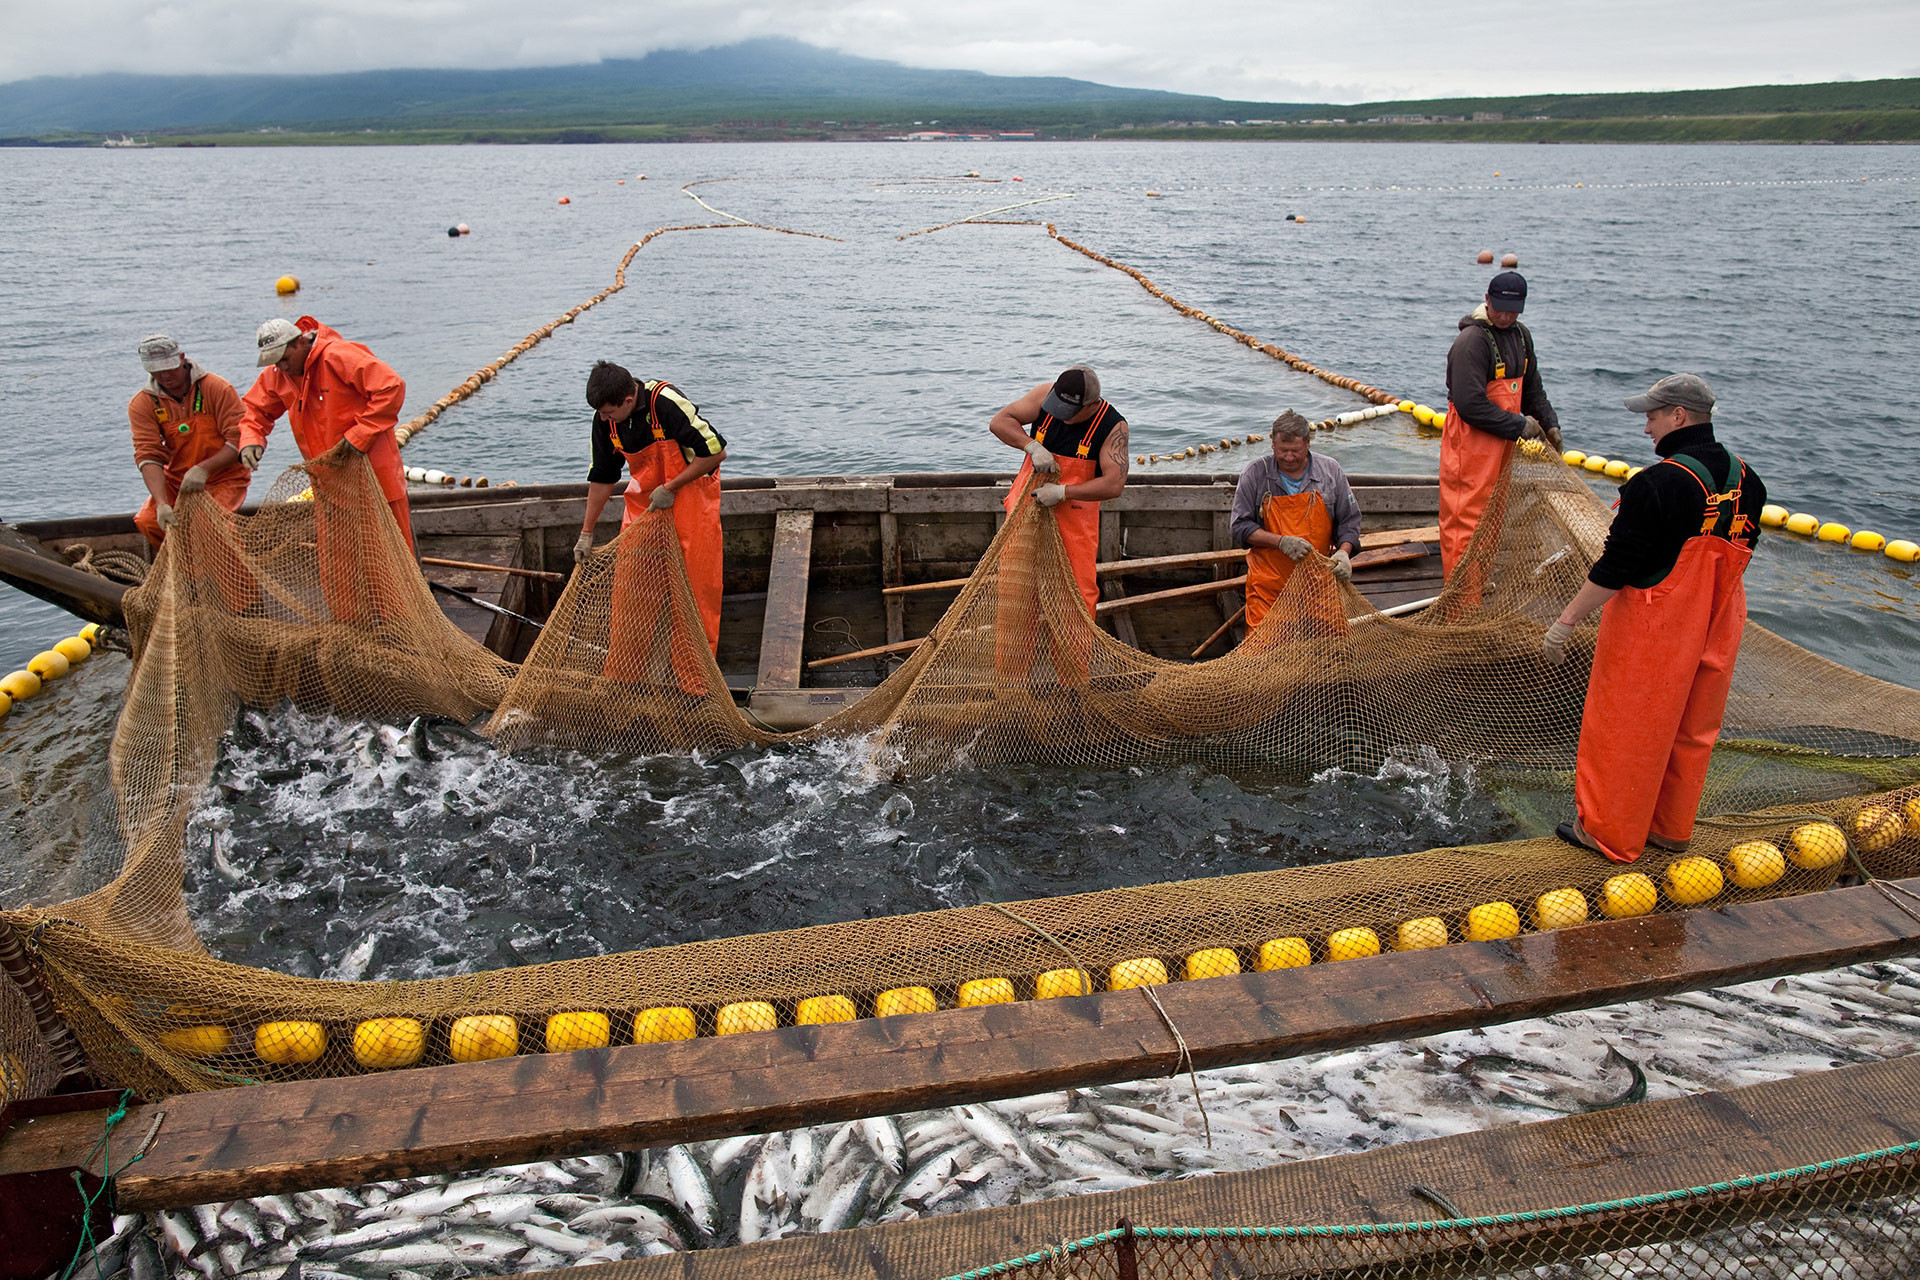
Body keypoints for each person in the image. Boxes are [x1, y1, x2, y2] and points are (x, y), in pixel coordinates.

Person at [1543, 374, 1766, 863]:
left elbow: (1615, 568)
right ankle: (1670, 829)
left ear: (1678, 417)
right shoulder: (1751, 482)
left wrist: (1566, 621)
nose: (1646, 427)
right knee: (1693, 726)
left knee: (1628, 726)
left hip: (1656, 625)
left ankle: (1608, 833)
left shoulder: (1654, 484)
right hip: (1720, 618)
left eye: (1651, 415)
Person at [576, 361, 727, 654]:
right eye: (601, 413)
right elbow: (603, 476)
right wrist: (586, 531)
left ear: (628, 400)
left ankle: (694, 683)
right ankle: (625, 677)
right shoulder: (604, 419)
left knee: (697, 592)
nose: (604, 418)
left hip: (691, 500)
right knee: (631, 589)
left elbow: (715, 452)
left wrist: (671, 488)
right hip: (645, 505)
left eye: (609, 412)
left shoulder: (666, 403)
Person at [239, 317, 413, 552]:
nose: (281, 366)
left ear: (299, 341)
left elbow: (390, 387)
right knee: (338, 565)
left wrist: (359, 436)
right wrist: (250, 440)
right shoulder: (277, 375)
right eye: (274, 361)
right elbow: (254, 410)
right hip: (329, 488)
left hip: (375, 479)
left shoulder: (338, 356)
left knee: (389, 559)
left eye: (284, 358)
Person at [1439, 271, 1563, 578]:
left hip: (1502, 443)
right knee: (1465, 519)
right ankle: (1460, 602)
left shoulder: (1521, 335)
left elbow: (1532, 388)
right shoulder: (1471, 342)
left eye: (1513, 310)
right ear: (1486, 300)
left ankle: (1478, 584)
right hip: (1470, 444)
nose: (1506, 316)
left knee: (1492, 515)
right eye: (1500, 308)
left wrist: (1550, 423)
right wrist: (1519, 425)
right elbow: (1470, 405)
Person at [988, 365, 1129, 617]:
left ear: (1092, 404)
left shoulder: (1112, 426)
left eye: (1069, 412)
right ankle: (1015, 656)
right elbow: (999, 422)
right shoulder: (1044, 395)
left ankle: (1071, 657)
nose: (1061, 415)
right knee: (1016, 590)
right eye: (1057, 407)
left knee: (1074, 596)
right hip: (1026, 509)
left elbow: (1113, 484)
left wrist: (1063, 492)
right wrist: (1031, 446)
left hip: (1074, 519)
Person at [1231, 410, 1362, 628]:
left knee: (1333, 646)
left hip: (1319, 583)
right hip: (1270, 586)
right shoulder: (1254, 473)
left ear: (1308, 444)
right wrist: (1281, 542)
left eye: (1295, 451)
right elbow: (1239, 527)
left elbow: (1349, 521)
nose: (1289, 457)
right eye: (1283, 450)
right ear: (1273, 445)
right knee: (1261, 650)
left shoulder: (1330, 471)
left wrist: (1344, 552)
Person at [126, 334, 249, 547]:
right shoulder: (142, 404)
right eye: (156, 369)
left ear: (182, 358)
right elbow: (148, 454)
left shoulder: (217, 388)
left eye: (169, 366)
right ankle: (190, 577)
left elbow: (239, 439)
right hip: (177, 482)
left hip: (224, 478)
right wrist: (162, 503)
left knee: (210, 526)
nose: (164, 374)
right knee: (148, 521)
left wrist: (203, 469)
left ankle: (234, 580)